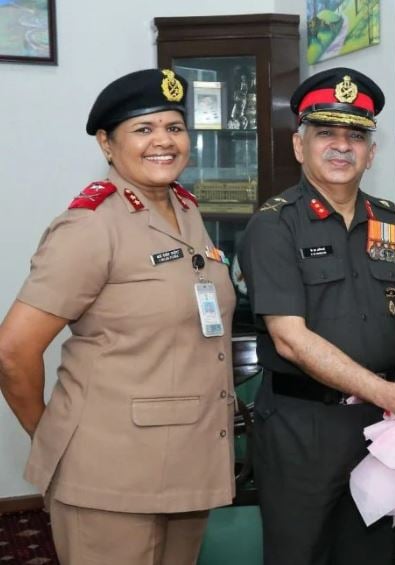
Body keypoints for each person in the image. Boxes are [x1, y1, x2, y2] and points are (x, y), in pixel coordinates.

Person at [0, 68, 235, 564]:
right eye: (143, 129)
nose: (163, 142)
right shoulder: (90, 227)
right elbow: (13, 352)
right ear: (107, 144)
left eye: (174, 127)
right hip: (109, 477)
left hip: (188, 466)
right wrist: (53, 441)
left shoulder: (186, 211)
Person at [237, 67, 395, 565]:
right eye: (326, 134)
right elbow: (289, 338)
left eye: (355, 136)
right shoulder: (274, 226)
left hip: (383, 424)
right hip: (303, 424)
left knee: (374, 552)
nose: (341, 147)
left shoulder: (393, 223)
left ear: (372, 152)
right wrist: (390, 395)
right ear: (299, 146)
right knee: (300, 552)